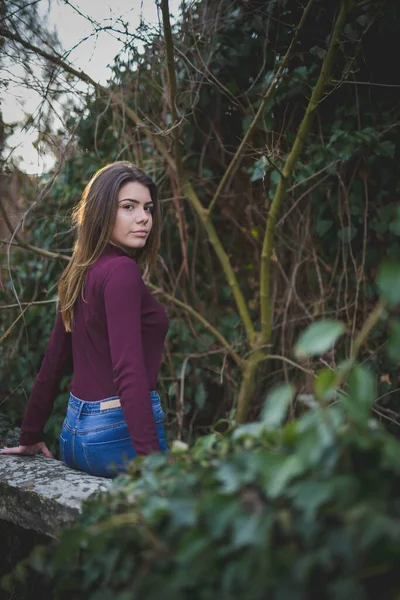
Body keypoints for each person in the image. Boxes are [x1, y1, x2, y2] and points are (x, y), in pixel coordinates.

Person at [0, 161, 169, 478]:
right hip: (114, 435)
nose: (144, 217)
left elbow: (53, 362)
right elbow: (128, 370)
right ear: (102, 211)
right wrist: (155, 465)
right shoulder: (122, 272)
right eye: (128, 207)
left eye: (147, 207)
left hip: (74, 438)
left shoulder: (79, 272)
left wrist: (31, 433)